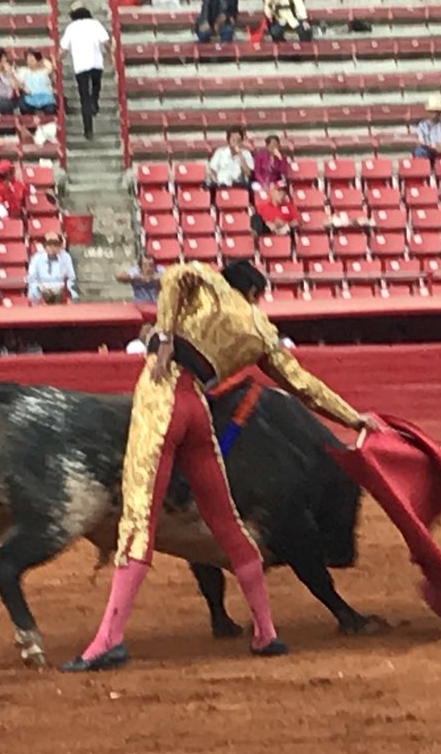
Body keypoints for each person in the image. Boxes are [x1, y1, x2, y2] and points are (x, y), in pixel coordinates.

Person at [59, 259, 377, 673]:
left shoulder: (208, 288)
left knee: (137, 522)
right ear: (252, 292)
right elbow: (302, 384)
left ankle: (108, 641)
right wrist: (354, 418)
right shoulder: (260, 328)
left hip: (162, 401)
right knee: (227, 524)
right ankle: (265, 632)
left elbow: (177, 273)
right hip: (196, 411)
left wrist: (165, 334)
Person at [60, 1, 112, 140]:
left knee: (84, 98)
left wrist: (56, 60)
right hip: (96, 63)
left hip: (81, 65)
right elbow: (106, 42)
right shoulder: (95, 24)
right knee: (96, 87)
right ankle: (95, 103)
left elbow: (63, 49)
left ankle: (88, 129)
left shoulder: (71, 28)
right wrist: (110, 56)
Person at [252, 134, 297, 234]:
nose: (274, 147)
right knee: (255, 186)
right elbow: (257, 172)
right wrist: (263, 183)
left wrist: (280, 158)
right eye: (272, 145)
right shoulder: (260, 156)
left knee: (281, 184)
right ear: (267, 146)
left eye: (276, 145)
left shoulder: (281, 157)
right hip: (261, 182)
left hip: (274, 182)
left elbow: (284, 171)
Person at [27, 232, 80, 304]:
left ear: (60, 246)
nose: (52, 247)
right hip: (41, 292)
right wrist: (39, 288)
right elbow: (31, 278)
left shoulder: (65, 257)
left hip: (60, 292)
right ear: (44, 246)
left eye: (56, 244)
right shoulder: (36, 258)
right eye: (49, 244)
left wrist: (70, 293)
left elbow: (71, 278)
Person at [16, 49, 58, 115]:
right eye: (28, 59)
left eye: (33, 59)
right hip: (30, 98)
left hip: (46, 98)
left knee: (51, 109)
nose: (30, 61)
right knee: (23, 104)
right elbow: (18, 83)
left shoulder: (45, 70)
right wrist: (23, 87)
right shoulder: (23, 71)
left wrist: (41, 60)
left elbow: (50, 66)